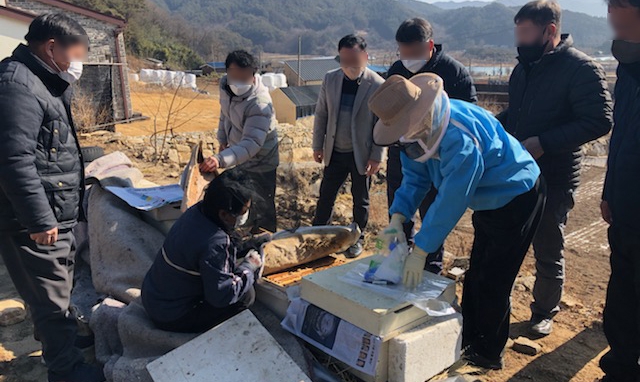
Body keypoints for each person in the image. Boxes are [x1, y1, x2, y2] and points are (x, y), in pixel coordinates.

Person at [370, 73, 545, 370]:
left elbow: (453, 198)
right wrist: (398, 218)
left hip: (516, 196)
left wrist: (422, 249)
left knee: (494, 278)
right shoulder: (417, 133)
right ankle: (468, 339)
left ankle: (487, 353)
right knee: (478, 271)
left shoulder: (459, 136)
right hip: (488, 200)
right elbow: (415, 178)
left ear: (419, 113)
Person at [497, 0, 613, 337]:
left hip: (555, 174)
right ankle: (500, 300)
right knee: (509, 238)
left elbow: (599, 120)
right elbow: (515, 113)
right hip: (518, 171)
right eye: (517, 35)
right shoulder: (523, 68)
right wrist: (493, 126)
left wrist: (544, 142)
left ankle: (544, 311)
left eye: (526, 34)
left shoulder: (581, 68)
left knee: (548, 245)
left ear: (550, 31)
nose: (520, 43)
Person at [0, 13, 105, 382]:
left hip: (56, 209)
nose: (80, 62)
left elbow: (49, 146)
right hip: (34, 218)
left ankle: (59, 345)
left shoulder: (45, 80)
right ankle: (66, 371)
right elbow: (13, 160)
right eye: (78, 53)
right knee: (50, 298)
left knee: (57, 288)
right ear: (51, 47)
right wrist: (40, 219)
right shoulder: (17, 85)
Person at [386, 18, 477, 274]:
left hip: (439, 157)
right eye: (402, 51)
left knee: (433, 210)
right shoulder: (397, 69)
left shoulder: (454, 72)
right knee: (400, 207)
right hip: (403, 151)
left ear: (429, 45)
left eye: (412, 52)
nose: (407, 58)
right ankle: (397, 258)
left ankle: (429, 265)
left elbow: (469, 114)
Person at [142, 170, 262, 333]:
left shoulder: (197, 212)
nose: (245, 216)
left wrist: (250, 244)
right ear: (224, 214)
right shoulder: (216, 243)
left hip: (153, 296)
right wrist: (248, 267)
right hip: (171, 316)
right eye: (242, 212)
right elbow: (223, 295)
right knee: (246, 295)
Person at [312, 34, 385, 257]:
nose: (348, 66)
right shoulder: (330, 79)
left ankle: (357, 237)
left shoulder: (378, 84)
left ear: (365, 56)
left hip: (361, 152)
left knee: (360, 198)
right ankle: (317, 234)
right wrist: (318, 145)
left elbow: (382, 124)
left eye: (353, 60)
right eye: (343, 60)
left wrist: (376, 156)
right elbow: (321, 113)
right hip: (335, 149)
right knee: (326, 194)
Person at [600, 0, 640, 380]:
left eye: (625, 30)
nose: (619, 39)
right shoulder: (628, 72)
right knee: (623, 294)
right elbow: (621, 136)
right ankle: (620, 368)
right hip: (626, 205)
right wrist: (609, 190)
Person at [200, 50, 279, 233]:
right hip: (237, 153)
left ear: (253, 75)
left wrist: (220, 159)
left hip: (262, 159)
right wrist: (223, 138)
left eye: (244, 79)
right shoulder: (224, 87)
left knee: (262, 203)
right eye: (235, 78)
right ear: (226, 72)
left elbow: (252, 143)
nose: (239, 84)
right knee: (240, 198)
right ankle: (243, 232)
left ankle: (266, 240)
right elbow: (225, 114)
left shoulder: (259, 103)